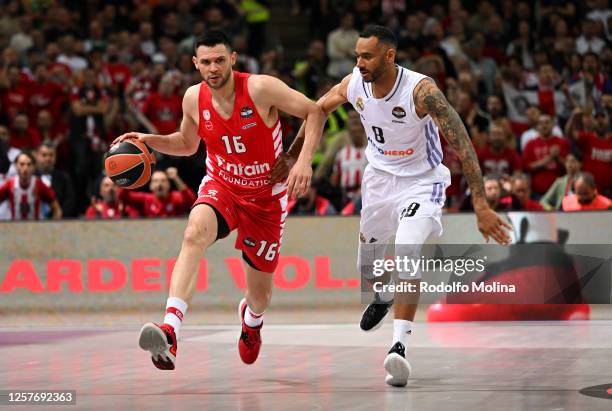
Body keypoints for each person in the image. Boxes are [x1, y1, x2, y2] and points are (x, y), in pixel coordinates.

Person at [271, 25, 511, 387]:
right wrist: (292, 157)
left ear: (389, 56)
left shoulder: (421, 90)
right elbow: (317, 110)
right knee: (366, 266)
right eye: (357, 56)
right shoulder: (355, 84)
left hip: (422, 182)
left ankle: (398, 346)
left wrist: (480, 203)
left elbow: (462, 144)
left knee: (408, 248)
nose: (359, 62)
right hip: (379, 181)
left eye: (366, 56)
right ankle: (382, 295)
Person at [112, 30, 325, 370]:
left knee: (260, 296)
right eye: (206, 62)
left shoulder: (260, 88)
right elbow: (186, 143)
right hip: (222, 185)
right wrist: (148, 139)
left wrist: (300, 159)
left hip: (266, 198)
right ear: (196, 64)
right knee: (193, 234)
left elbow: (315, 112)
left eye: (220, 60)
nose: (214, 68)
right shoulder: (193, 98)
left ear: (233, 59)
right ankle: (170, 330)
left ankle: (251, 320)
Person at [0, 151, 61, 220]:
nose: (25, 168)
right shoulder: (10, 184)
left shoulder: (39, 185)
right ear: (16, 166)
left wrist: (53, 228)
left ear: (34, 167)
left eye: (29, 164)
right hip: (14, 228)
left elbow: (57, 210)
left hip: (36, 228)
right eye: (22, 164)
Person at [118, 168, 196, 218]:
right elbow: (122, 196)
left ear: (169, 185)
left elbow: (191, 200)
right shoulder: (146, 199)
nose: (159, 184)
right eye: (156, 181)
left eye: (163, 180)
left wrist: (176, 178)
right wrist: (131, 176)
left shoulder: (175, 197)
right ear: (151, 186)